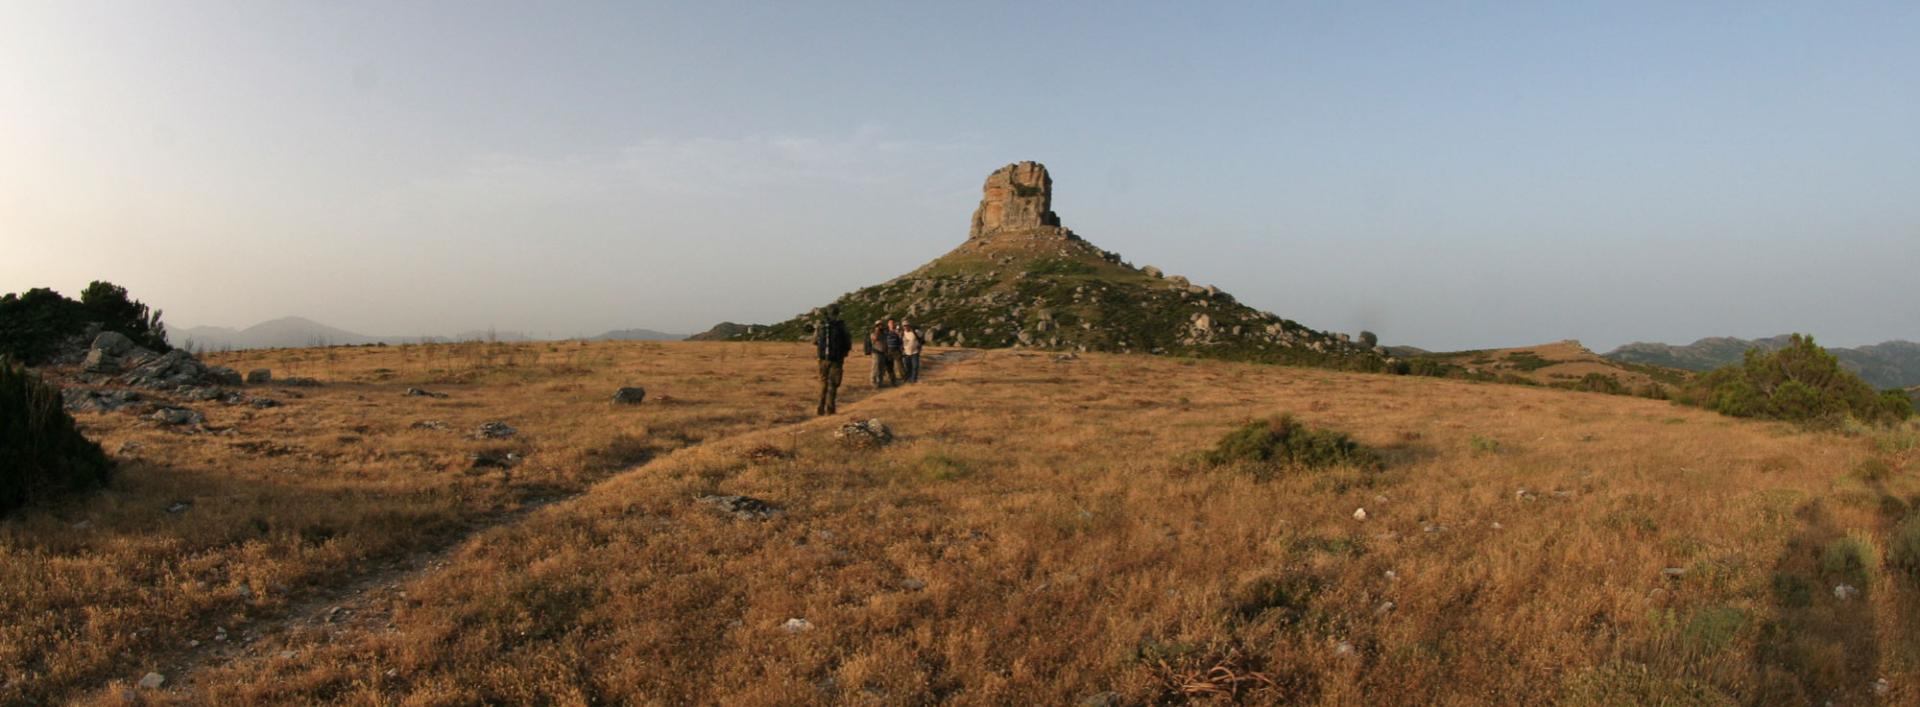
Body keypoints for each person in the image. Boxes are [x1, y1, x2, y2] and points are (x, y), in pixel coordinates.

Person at [812, 306, 852, 415]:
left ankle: (820, 408)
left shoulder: (821, 325)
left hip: (822, 359)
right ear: (837, 313)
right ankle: (830, 409)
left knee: (823, 383)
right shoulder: (840, 326)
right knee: (833, 384)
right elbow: (848, 341)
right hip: (836, 359)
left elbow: (814, 341)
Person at [866, 321, 892, 388]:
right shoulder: (873, 333)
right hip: (876, 352)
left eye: (881, 325)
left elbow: (885, 342)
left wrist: (887, 351)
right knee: (875, 368)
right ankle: (873, 382)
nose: (881, 326)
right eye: (879, 325)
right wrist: (877, 331)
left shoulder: (883, 334)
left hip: (883, 353)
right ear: (876, 326)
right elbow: (875, 339)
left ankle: (880, 382)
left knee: (881, 368)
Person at [883, 319, 905, 384]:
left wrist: (899, 335)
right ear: (888, 324)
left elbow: (901, 341)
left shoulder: (898, 331)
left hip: (896, 350)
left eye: (893, 323)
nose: (892, 324)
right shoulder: (885, 332)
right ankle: (893, 380)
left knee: (900, 365)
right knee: (889, 367)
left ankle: (904, 378)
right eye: (890, 323)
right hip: (888, 350)